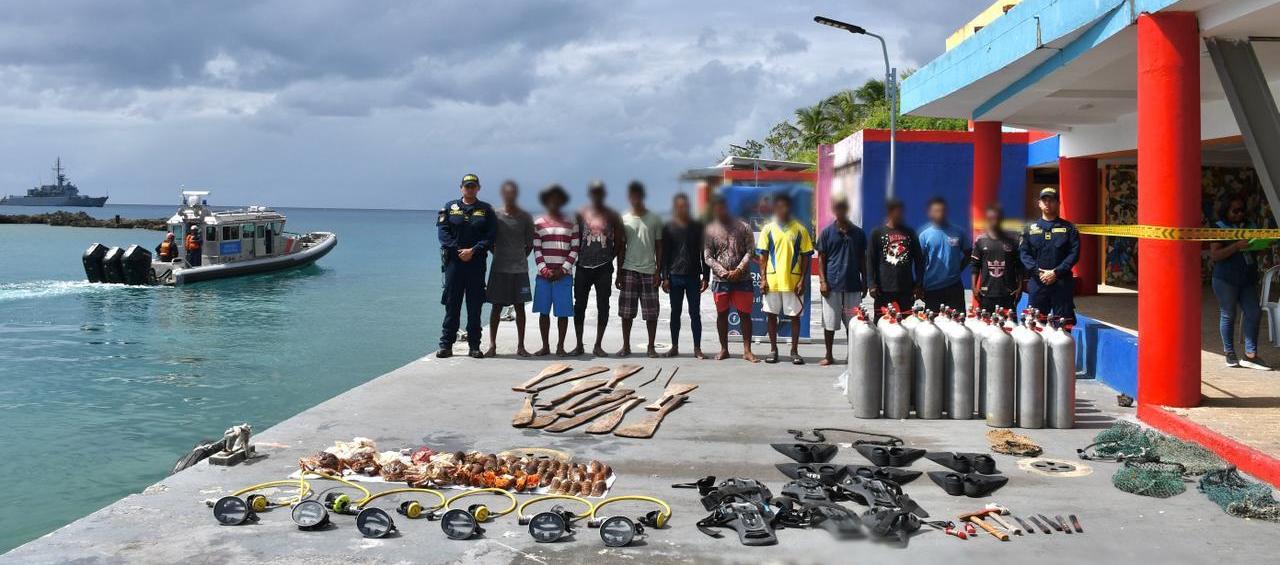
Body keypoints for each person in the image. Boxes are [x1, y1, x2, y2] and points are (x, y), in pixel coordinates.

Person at [437, 173, 496, 359]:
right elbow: (443, 234)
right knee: (452, 304)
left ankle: (474, 346)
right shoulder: (449, 207)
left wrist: (473, 250)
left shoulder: (486, 209)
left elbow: (491, 235)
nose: (470, 189)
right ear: (461, 187)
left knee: (474, 306)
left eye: (473, 186)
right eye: (467, 186)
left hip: (476, 264)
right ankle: (446, 345)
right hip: (454, 264)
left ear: (478, 188)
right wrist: (459, 251)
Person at [1209, 195, 1269, 370]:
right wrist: (1236, 246)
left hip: (1247, 278)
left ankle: (1250, 355)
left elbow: (1255, 249)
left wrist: (1259, 245)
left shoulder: (1250, 225)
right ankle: (1229, 353)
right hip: (1225, 279)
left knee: (1254, 312)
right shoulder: (1218, 227)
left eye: (1242, 210)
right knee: (1228, 315)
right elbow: (1215, 255)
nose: (1239, 214)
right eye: (1235, 211)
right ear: (1226, 210)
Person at [757, 192, 813, 365]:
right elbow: (763, 257)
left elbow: (805, 256)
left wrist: (802, 279)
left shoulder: (800, 229)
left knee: (794, 317)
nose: (783, 209)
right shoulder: (768, 229)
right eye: (779, 206)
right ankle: (773, 350)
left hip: (793, 281)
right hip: (773, 282)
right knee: (771, 315)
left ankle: (794, 351)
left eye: (786, 206)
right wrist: (764, 279)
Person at [573, 180, 625, 357]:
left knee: (603, 306)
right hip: (582, 266)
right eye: (594, 192)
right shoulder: (580, 213)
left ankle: (598, 345)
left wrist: (616, 267)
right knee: (579, 306)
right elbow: (574, 238)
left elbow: (620, 242)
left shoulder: (613, 214)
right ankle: (579, 344)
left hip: (604, 267)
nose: (597, 195)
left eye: (599, 192)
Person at [704, 196, 758, 362]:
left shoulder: (744, 227)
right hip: (721, 281)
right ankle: (724, 349)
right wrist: (723, 271)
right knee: (722, 314)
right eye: (717, 208)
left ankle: (747, 351)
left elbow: (751, 251)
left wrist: (739, 269)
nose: (720, 211)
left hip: (743, 279)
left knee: (745, 315)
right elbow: (707, 256)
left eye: (723, 207)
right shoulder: (710, 230)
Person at [485, 180, 535, 357]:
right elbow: (489, 240)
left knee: (520, 307)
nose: (509, 195)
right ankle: (492, 345)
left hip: (519, 270)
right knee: (496, 307)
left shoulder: (525, 217)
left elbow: (529, 245)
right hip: (499, 268)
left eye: (512, 192)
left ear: (516, 194)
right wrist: (498, 255)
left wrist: (518, 258)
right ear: (502, 194)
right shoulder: (495, 215)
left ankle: (521, 346)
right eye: (506, 193)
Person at [816, 193, 867, 366]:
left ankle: (851, 356)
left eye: (843, 207)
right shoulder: (827, 233)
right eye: (837, 207)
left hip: (853, 285)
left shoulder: (859, 234)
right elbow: (821, 259)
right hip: (832, 286)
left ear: (847, 209)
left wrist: (865, 280)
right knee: (829, 323)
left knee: (852, 324)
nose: (840, 210)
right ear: (834, 210)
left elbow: (862, 259)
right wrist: (823, 282)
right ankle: (829, 355)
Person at [1018, 187, 1080, 325]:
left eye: (1051, 200)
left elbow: (1074, 254)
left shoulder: (1069, 228)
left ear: (1058, 203)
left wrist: (1056, 272)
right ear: (1039, 203)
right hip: (1038, 283)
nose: (1047, 203)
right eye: (1044, 200)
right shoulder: (1029, 229)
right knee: (1035, 325)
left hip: (1062, 283)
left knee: (1064, 325)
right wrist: (1038, 272)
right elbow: (1024, 253)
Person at [532, 184, 579, 356]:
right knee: (543, 313)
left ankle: (560, 346)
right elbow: (537, 250)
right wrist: (545, 271)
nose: (554, 202)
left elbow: (575, 249)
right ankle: (545, 346)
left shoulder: (572, 222)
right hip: (544, 276)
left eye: (558, 199)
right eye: (551, 199)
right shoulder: (538, 223)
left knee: (563, 313)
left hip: (564, 276)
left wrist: (563, 270)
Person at [617, 181, 663, 358]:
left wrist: (658, 271)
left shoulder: (655, 219)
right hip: (629, 269)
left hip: (649, 270)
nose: (635, 198)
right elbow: (621, 246)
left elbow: (660, 246)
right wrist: (619, 272)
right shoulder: (624, 219)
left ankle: (651, 347)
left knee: (651, 313)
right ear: (629, 198)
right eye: (632, 195)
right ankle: (626, 346)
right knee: (626, 312)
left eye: (638, 195)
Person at [660, 193, 709, 359]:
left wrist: (706, 276)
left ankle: (697, 348)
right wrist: (664, 277)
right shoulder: (668, 227)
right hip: (675, 276)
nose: (683, 209)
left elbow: (704, 252)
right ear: (675, 208)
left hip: (693, 275)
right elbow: (664, 254)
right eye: (679, 206)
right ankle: (674, 346)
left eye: (685, 206)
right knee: (675, 312)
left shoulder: (698, 226)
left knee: (695, 313)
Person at [867, 199, 924, 312]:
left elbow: (919, 261)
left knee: (905, 323)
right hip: (883, 290)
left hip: (906, 289)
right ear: (889, 212)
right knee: (882, 323)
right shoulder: (877, 233)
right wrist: (871, 284)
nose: (900, 214)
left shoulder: (910, 233)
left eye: (901, 211)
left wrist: (919, 284)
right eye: (897, 211)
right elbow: (870, 261)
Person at [918, 196, 971, 312]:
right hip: (932, 287)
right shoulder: (924, 236)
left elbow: (969, 254)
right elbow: (919, 263)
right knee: (933, 324)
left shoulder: (959, 232)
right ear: (930, 213)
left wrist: (958, 268)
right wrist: (919, 285)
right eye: (936, 211)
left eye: (942, 210)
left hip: (954, 286)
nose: (940, 214)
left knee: (957, 324)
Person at [970, 203, 1024, 313]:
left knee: (1009, 327)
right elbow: (975, 266)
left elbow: (1019, 266)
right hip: (986, 293)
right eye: (991, 218)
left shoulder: (1013, 240)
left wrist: (1020, 287)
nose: (994, 221)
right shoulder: (980, 241)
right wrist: (974, 287)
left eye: (997, 218)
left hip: (1008, 293)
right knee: (987, 327)